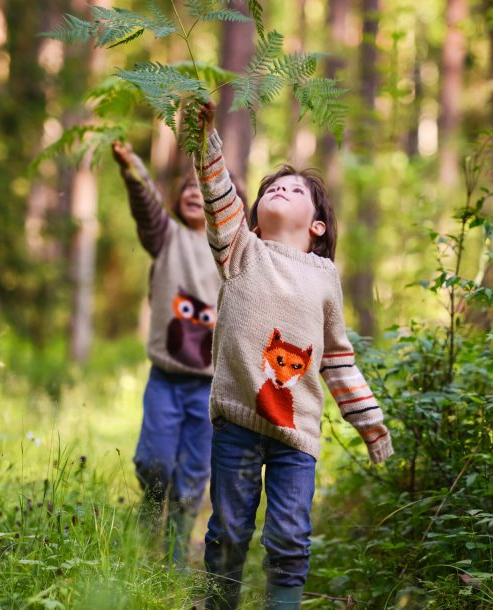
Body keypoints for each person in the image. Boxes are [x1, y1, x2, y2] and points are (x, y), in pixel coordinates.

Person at [183, 104, 393, 609]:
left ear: (317, 226)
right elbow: (217, 193)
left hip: (296, 435)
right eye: (271, 189)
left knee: (290, 538)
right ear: (253, 215)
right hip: (237, 419)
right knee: (229, 531)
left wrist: (372, 425)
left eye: (295, 189)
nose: (279, 190)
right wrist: (205, 136)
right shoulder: (240, 249)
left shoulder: (325, 279)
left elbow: (337, 360)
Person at [112, 140, 220, 565]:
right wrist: (132, 168)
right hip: (166, 378)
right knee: (155, 464)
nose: (195, 191)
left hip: (209, 387)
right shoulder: (166, 237)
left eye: (204, 186)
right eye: (187, 187)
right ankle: (144, 530)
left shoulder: (231, 253)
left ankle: (174, 558)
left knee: (193, 477)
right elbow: (146, 206)